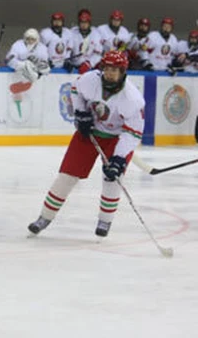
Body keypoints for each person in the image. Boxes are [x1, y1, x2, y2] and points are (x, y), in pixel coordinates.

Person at [27, 51, 143, 239]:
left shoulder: (132, 99)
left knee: (112, 179)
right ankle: (44, 217)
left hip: (117, 138)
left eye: (114, 70)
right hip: (89, 134)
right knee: (66, 176)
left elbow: (132, 133)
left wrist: (119, 158)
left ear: (123, 72)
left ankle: (105, 220)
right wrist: (81, 113)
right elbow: (75, 90)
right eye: (107, 69)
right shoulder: (90, 80)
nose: (109, 73)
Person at [69, 9, 104, 74]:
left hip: (89, 68)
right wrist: (67, 63)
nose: (84, 25)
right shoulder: (71, 33)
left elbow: (98, 55)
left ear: (89, 23)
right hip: (73, 67)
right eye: (82, 22)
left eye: (86, 22)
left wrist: (89, 63)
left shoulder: (96, 34)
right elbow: (67, 51)